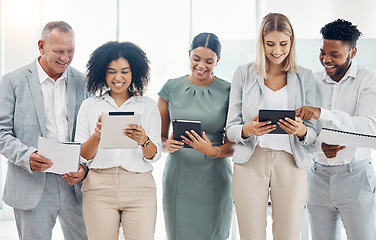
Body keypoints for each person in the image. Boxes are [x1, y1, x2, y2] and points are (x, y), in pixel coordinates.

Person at [226, 13, 316, 240]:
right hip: (250, 161)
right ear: (261, 43)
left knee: (287, 234)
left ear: (292, 42)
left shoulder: (305, 76)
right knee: (251, 235)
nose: (277, 50)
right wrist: (249, 129)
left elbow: (315, 132)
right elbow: (231, 128)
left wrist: (301, 130)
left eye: (283, 44)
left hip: (290, 161)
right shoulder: (243, 73)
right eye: (270, 44)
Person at [0, 21, 88, 239]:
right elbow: (2, 132)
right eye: (59, 51)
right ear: (41, 46)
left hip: (73, 184)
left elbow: (89, 132)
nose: (65, 58)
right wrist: (27, 156)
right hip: (31, 183)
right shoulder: (12, 82)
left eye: (71, 51)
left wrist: (84, 167)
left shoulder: (82, 81)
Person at [297, 19, 376, 240]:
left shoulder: (368, 80)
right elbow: (306, 133)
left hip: (356, 177)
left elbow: (370, 128)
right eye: (322, 52)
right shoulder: (312, 81)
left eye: (335, 54)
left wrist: (324, 113)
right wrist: (319, 148)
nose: (326, 59)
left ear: (353, 52)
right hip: (317, 177)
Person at [75, 41, 161, 240]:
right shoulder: (89, 106)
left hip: (139, 187)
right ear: (103, 74)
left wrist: (144, 140)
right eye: (111, 71)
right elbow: (83, 155)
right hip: (99, 187)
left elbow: (154, 156)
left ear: (135, 73)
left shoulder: (148, 106)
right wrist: (97, 135)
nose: (118, 77)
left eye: (124, 71)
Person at [158, 32, 234, 240]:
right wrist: (168, 145)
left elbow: (235, 145)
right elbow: (159, 139)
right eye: (196, 59)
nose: (201, 65)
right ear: (189, 54)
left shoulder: (229, 91)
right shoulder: (171, 88)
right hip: (179, 177)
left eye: (209, 61)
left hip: (214, 177)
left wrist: (212, 150)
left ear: (217, 60)